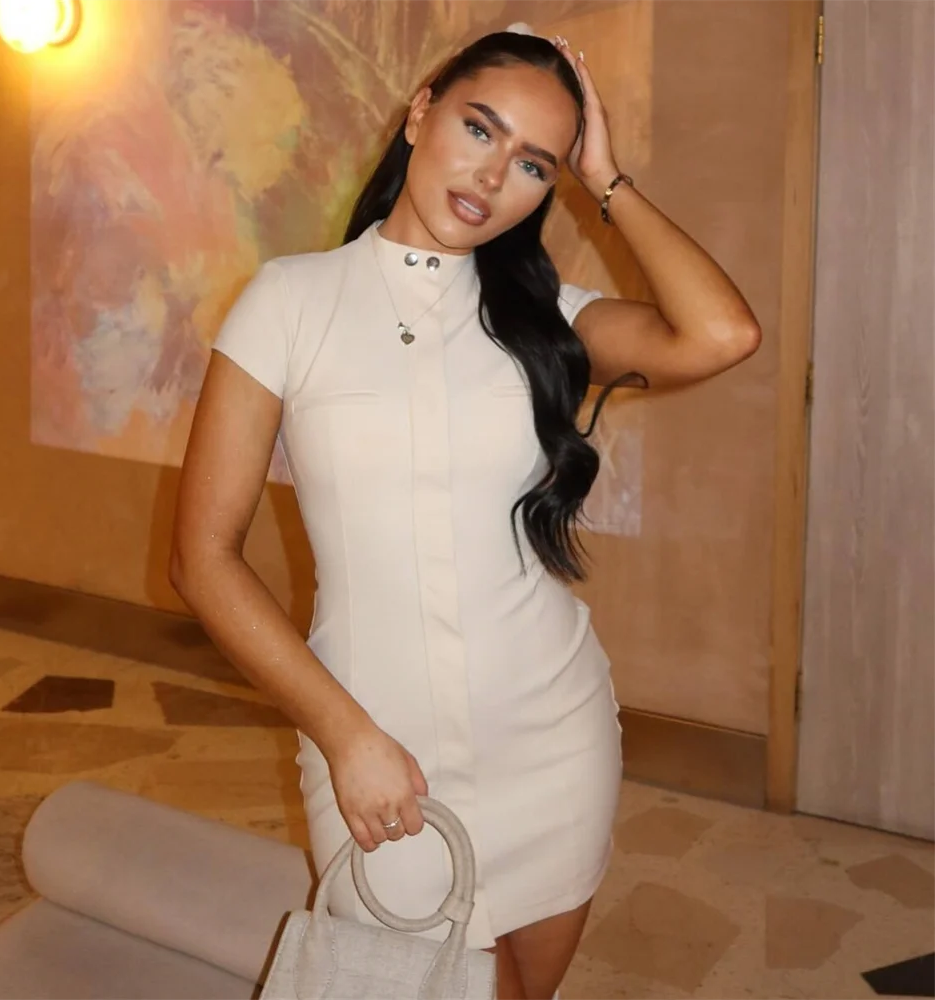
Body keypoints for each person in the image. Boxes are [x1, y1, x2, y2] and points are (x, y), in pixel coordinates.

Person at [170, 26, 761, 1000]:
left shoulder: (551, 320)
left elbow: (723, 332)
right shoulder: (289, 301)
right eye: (479, 128)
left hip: (551, 734)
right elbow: (203, 557)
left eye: (533, 163)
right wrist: (344, 735)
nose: (492, 175)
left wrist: (605, 179)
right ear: (420, 113)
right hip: (372, 741)